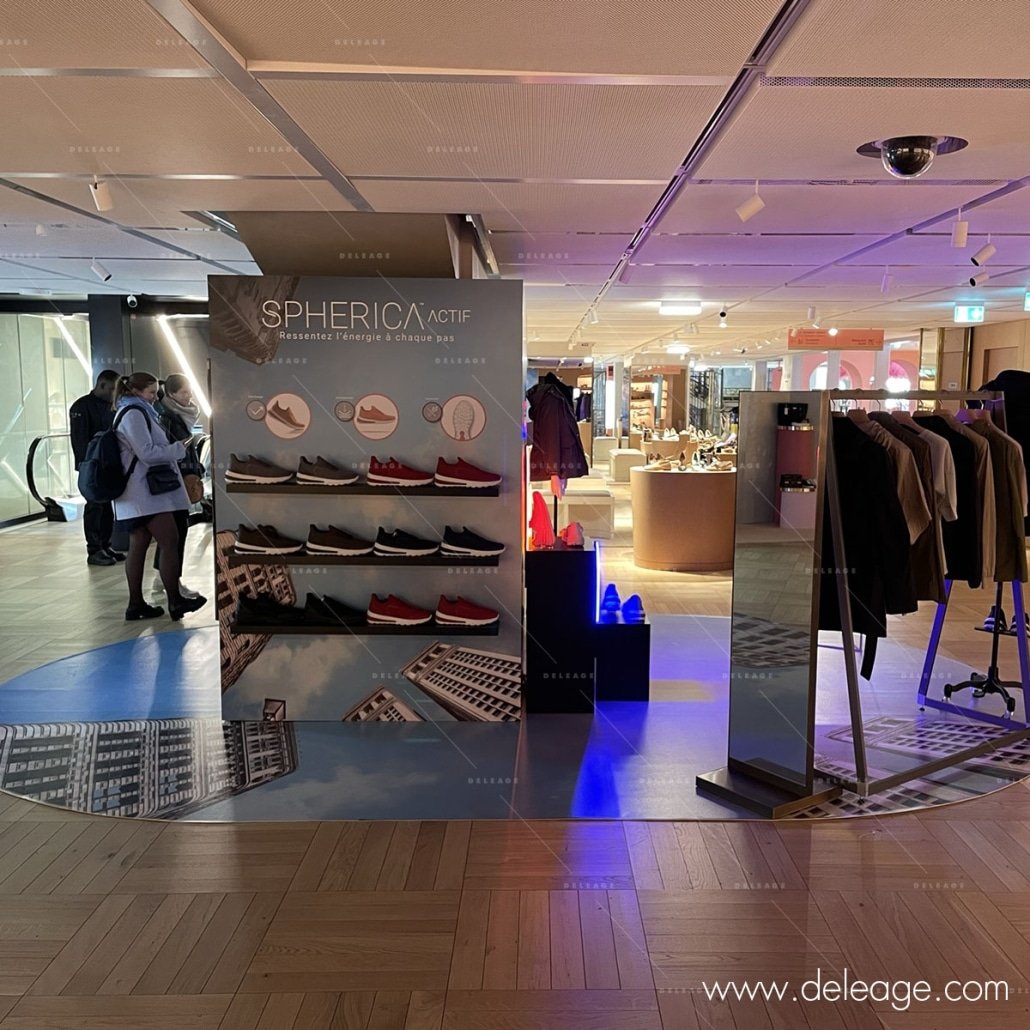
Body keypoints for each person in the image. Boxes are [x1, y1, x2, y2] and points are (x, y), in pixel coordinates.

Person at [111, 371, 207, 622]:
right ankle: (175, 600)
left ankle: (137, 604)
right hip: (145, 492)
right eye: (151, 392)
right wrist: (177, 449)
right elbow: (147, 452)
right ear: (136, 391)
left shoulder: (135, 411)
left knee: (140, 544)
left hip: (141, 493)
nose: (155, 397)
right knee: (169, 541)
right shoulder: (134, 414)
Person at [151, 374, 202, 602]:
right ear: (171, 394)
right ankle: (170, 581)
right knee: (175, 533)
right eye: (184, 393)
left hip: (180, 478)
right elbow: (172, 449)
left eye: (190, 392)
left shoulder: (177, 414)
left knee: (174, 532)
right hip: (173, 480)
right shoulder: (166, 417)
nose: (189, 397)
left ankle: (164, 579)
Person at [69, 369, 123, 566]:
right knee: (94, 506)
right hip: (91, 465)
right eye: (112, 389)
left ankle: (105, 545)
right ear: (102, 385)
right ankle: (94, 549)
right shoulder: (82, 407)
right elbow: (79, 439)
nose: (114, 393)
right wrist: (86, 466)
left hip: (108, 464)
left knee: (106, 506)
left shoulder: (112, 406)